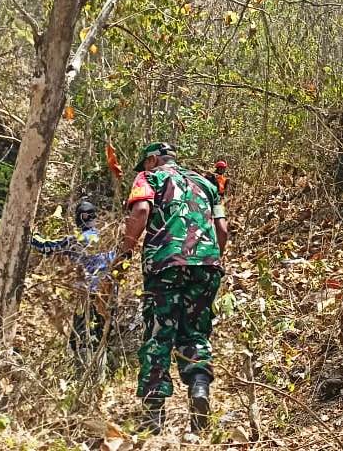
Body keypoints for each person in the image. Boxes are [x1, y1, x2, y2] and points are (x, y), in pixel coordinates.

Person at [114, 142, 228, 434]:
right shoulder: (207, 183)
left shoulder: (149, 178)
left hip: (165, 266)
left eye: (144, 164)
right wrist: (209, 259)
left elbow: (140, 211)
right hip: (207, 266)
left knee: (159, 334)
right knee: (195, 332)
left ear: (152, 160)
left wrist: (125, 251)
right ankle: (200, 390)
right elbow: (223, 230)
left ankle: (153, 416)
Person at [30, 200, 117, 369]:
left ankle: (84, 380)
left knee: (81, 339)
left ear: (81, 218)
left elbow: (47, 247)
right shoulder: (108, 238)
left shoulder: (78, 240)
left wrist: (32, 235)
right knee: (102, 337)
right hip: (109, 295)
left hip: (89, 296)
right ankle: (103, 376)